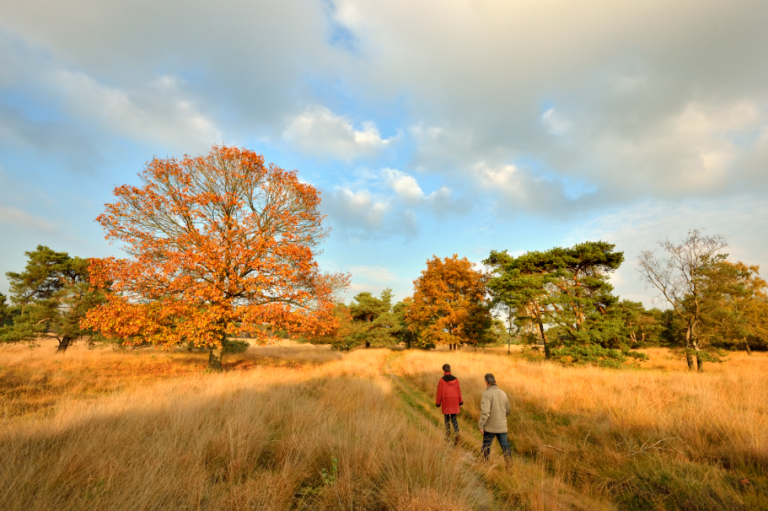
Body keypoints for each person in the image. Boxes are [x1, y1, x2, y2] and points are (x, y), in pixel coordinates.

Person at [478, 373, 512, 462]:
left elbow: (485, 412)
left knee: (486, 445)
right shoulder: (503, 393)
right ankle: (509, 465)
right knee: (505, 445)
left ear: (486, 382)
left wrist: (481, 425)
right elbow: (508, 409)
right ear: (494, 381)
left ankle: (485, 464)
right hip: (502, 426)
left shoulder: (487, 394)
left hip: (490, 426)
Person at [435, 363, 463, 445]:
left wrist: (438, 403)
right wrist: (460, 402)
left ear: (443, 370)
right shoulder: (456, 379)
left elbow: (439, 392)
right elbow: (458, 391)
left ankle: (447, 436)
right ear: (450, 369)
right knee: (454, 419)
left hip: (446, 401)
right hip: (454, 401)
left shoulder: (441, 380)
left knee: (446, 419)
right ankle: (457, 434)